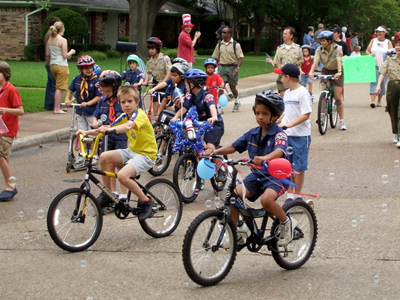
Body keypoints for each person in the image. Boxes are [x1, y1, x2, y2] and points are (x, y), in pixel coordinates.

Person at [205, 91, 297, 247]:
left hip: (276, 176)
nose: (260, 117)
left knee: (267, 200)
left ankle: (287, 222)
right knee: (234, 195)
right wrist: (215, 152)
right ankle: (236, 234)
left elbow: (280, 151)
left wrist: (265, 158)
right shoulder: (252, 134)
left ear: (274, 116)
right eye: (258, 113)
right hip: (258, 175)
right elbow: (233, 147)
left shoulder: (279, 134)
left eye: (265, 114)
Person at [76, 85, 157, 221]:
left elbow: (128, 126)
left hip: (146, 155)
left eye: (130, 101)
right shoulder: (125, 116)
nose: (126, 105)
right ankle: (108, 194)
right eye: (123, 102)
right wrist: (87, 132)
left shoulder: (139, 115)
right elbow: (107, 127)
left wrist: (110, 131)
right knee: (104, 157)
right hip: (132, 151)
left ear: (137, 102)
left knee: (122, 175)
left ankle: (146, 201)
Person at [92, 70, 128, 214]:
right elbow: (95, 116)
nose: (105, 93)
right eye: (103, 90)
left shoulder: (121, 102)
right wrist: (95, 123)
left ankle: (124, 195)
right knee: (108, 166)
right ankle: (111, 194)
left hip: (119, 136)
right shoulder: (102, 101)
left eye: (108, 91)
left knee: (120, 165)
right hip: (106, 137)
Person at [274, 64, 312, 203]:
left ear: (287, 77)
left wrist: (289, 125)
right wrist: (277, 122)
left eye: (281, 76)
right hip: (287, 134)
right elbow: (285, 112)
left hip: (301, 135)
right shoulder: (287, 93)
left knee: (299, 167)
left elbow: (306, 114)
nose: (280, 79)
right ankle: (290, 195)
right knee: (288, 166)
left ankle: (298, 196)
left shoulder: (302, 93)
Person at [171, 69, 224, 154]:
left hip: (214, 126)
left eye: (186, 85)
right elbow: (184, 108)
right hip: (200, 124)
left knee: (209, 149)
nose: (186, 87)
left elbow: (212, 107)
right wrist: (175, 117)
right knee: (190, 141)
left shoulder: (207, 96)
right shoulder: (190, 96)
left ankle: (219, 165)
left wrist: (214, 117)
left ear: (191, 85)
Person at [65, 55, 102, 165]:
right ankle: (82, 154)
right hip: (80, 112)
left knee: (92, 134)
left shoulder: (96, 80)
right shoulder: (77, 79)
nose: (89, 70)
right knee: (82, 133)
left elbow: (98, 96)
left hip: (91, 111)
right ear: (80, 69)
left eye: (90, 67)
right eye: (86, 68)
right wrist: (68, 100)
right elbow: (71, 90)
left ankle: (94, 155)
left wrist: (88, 103)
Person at [309, 30, 347, 130]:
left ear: (330, 41)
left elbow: (339, 60)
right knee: (323, 92)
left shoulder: (338, 48)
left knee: (338, 97)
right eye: (321, 41)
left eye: (324, 41)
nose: (322, 43)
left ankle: (342, 120)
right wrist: (311, 71)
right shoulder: (319, 50)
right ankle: (322, 115)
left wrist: (339, 72)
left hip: (337, 71)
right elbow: (316, 61)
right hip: (326, 70)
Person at [0, 61, 24, 202]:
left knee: (0, 156)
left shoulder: (11, 90)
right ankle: (8, 185)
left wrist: (6, 110)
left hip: (8, 130)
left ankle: (10, 187)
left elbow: (20, 111)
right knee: (4, 157)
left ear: (5, 74)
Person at [212, 27, 244, 113]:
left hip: (232, 67)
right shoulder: (219, 45)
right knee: (221, 86)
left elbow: (240, 57)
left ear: (229, 34)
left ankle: (237, 101)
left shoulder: (235, 44)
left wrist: (237, 68)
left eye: (224, 32)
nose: (222, 34)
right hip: (222, 67)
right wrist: (213, 67)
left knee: (232, 87)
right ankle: (220, 106)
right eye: (222, 32)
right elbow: (215, 57)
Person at [375, 38, 400, 146]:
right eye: (397, 45)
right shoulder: (390, 59)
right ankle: (395, 132)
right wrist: (378, 85)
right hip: (392, 87)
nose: (398, 47)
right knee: (392, 110)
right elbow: (382, 73)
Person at [48, 21, 75, 114]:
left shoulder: (50, 39)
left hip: (53, 65)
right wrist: (71, 52)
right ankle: (56, 108)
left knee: (61, 87)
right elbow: (65, 55)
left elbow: (48, 53)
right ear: (62, 29)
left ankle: (58, 106)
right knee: (60, 87)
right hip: (61, 65)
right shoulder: (62, 40)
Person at [142, 37, 171, 119]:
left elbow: (169, 72)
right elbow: (147, 72)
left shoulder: (165, 58)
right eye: (149, 48)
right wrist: (146, 81)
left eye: (152, 48)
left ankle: (169, 119)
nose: (150, 50)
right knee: (155, 102)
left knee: (167, 104)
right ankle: (157, 119)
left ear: (157, 49)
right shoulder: (149, 61)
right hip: (156, 83)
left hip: (166, 83)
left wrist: (163, 82)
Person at [366, 25, 393, 108]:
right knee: (373, 81)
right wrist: (370, 54)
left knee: (381, 83)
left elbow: (391, 53)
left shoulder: (388, 42)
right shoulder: (373, 41)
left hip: (384, 65)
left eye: (380, 32)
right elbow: (367, 51)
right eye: (377, 32)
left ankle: (379, 100)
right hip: (374, 64)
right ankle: (373, 101)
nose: (378, 33)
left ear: (384, 33)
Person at [273, 27, 303, 97]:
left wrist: (295, 65)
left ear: (291, 36)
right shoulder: (279, 48)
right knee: (283, 95)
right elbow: (277, 62)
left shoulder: (298, 48)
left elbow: (301, 60)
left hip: (293, 76)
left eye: (286, 34)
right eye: (283, 33)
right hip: (283, 75)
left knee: (294, 95)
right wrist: (281, 72)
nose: (283, 35)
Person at [44, 16, 60, 110]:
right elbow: (48, 50)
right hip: (52, 62)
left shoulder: (48, 33)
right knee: (54, 84)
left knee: (50, 83)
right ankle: (54, 104)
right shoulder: (51, 34)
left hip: (49, 62)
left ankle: (49, 104)